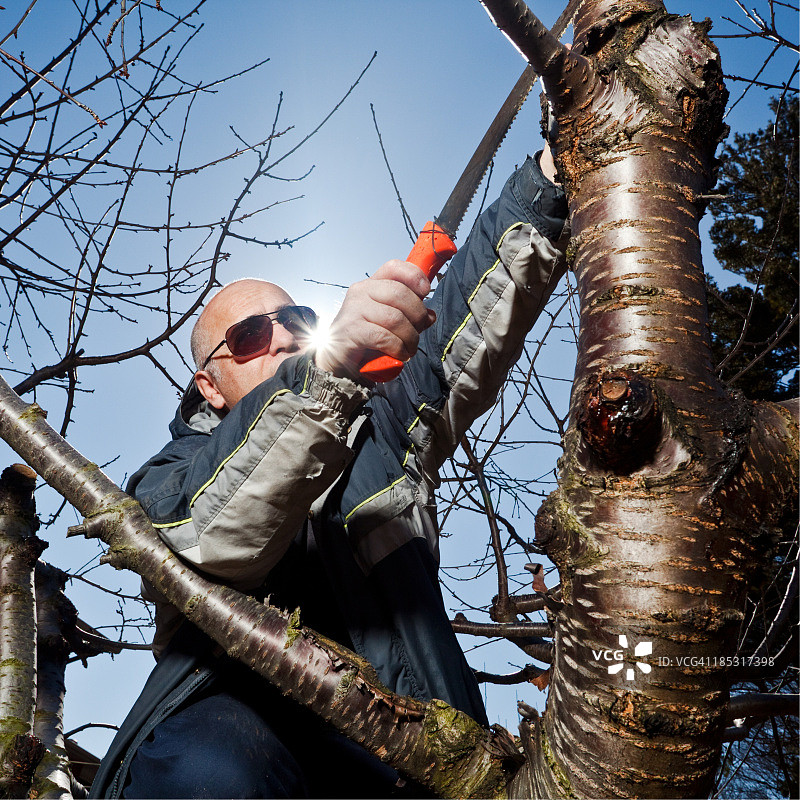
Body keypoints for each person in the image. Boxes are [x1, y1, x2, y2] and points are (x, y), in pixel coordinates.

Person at [90, 145, 569, 799]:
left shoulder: (379, 437)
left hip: (415, 757)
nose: (284, 338)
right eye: (253, 335)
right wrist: (324, 374)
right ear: (210, 385)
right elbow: (213, 530)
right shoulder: (167, 479)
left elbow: (459, 326)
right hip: (232, 740)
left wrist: (545, 185)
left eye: (297, 321)